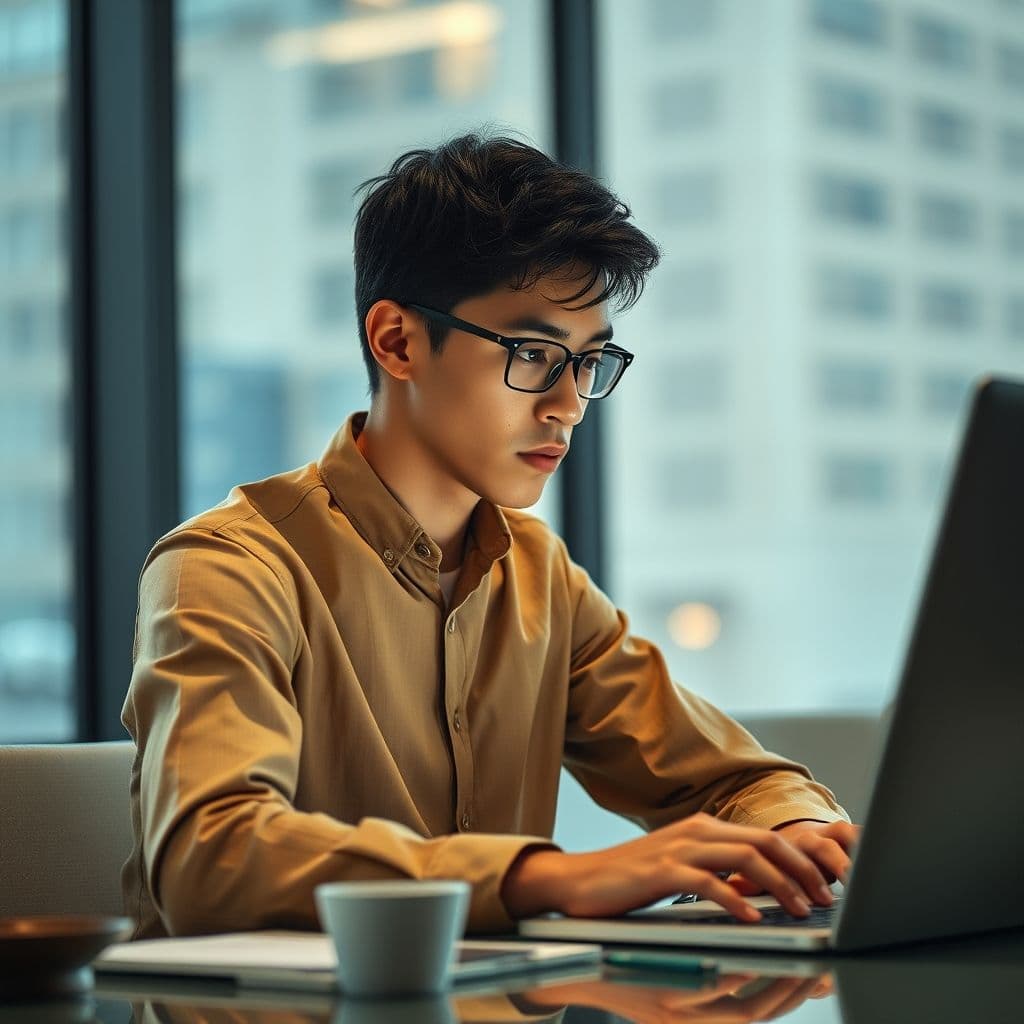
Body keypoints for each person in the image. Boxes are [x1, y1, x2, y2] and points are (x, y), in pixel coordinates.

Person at [122, 132, 856, 939]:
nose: (570, 403)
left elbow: (725, 781)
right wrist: (551, 878)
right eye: (535, 353)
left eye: (590, 361)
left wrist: (797, 836)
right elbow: (211, 858)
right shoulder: (229, 569)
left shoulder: (540, 576)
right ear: (397, 341)